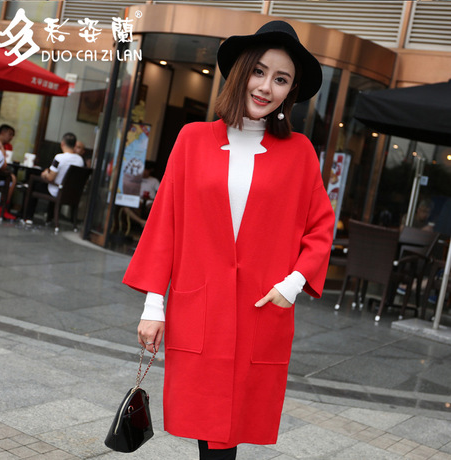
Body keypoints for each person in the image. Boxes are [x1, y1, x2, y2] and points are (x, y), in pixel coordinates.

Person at [123, 21, 335, 459]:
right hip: (199, 307)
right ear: (241, 72)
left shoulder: (299, 152)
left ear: (290, 92)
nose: (266, 87)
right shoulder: (193, 139)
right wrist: (153, 305)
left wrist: (293, 284)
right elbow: (165, 224)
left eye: (281, 79)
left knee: (230, 428)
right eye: (259, 72)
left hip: (261, 308)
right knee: (209, 425)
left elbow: (321, 227)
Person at [23, 132, 84, 224]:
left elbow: (50, 178)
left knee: (34, 185)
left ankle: (28, 217)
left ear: (62, 143)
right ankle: (49, 218)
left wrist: (44, 174)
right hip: (70, 194)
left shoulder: (59, 158)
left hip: (56, 191)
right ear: (75, 145)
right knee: (52, 185)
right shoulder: (80, 160)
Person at [122, 160, 160, 228]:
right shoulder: (135, 179)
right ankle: (141, 222)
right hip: (137, 201)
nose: (144, 172)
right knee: (126, 208)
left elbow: (159, 194)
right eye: (143, 169)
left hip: (150, 202)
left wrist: (154, 202)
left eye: (146, 170)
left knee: (155, 209)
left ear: (150, 170)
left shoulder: (154, 181)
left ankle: (150, 225)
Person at [0, 121, 16, 220]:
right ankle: (2, 208)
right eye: (10, 134)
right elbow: (3, 166)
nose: (11, 137)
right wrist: (1, 148)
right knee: (11, 178)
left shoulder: (8, 146)